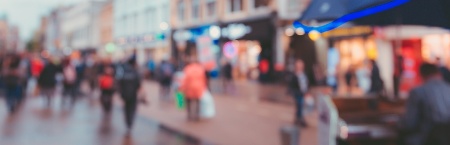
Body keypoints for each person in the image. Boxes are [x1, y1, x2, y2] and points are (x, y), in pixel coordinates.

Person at [399, 63, 450, 145]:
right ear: (438, 73)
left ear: (421, 75)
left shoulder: (418, 92)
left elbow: (409, 123)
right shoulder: (448, 89)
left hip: (425, 139)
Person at [116, 59, 141, 132]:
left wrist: (120, 93)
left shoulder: (123, 71)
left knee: (126, 109)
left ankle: (127, 123)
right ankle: (130, 123)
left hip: (125, 94)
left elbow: (119, 83)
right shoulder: (135, 72)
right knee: (132, 109)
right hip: (133, 94)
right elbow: (138, 83)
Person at [287, 59, 309, 127]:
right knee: (300, 105)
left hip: (304, 92)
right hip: (298, 93)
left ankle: (298, 118)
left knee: (302, 106)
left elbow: (307, 83)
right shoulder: (294, 75)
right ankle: (300, 119)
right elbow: (292, 86)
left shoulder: (304, 74)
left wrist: (307, 91)